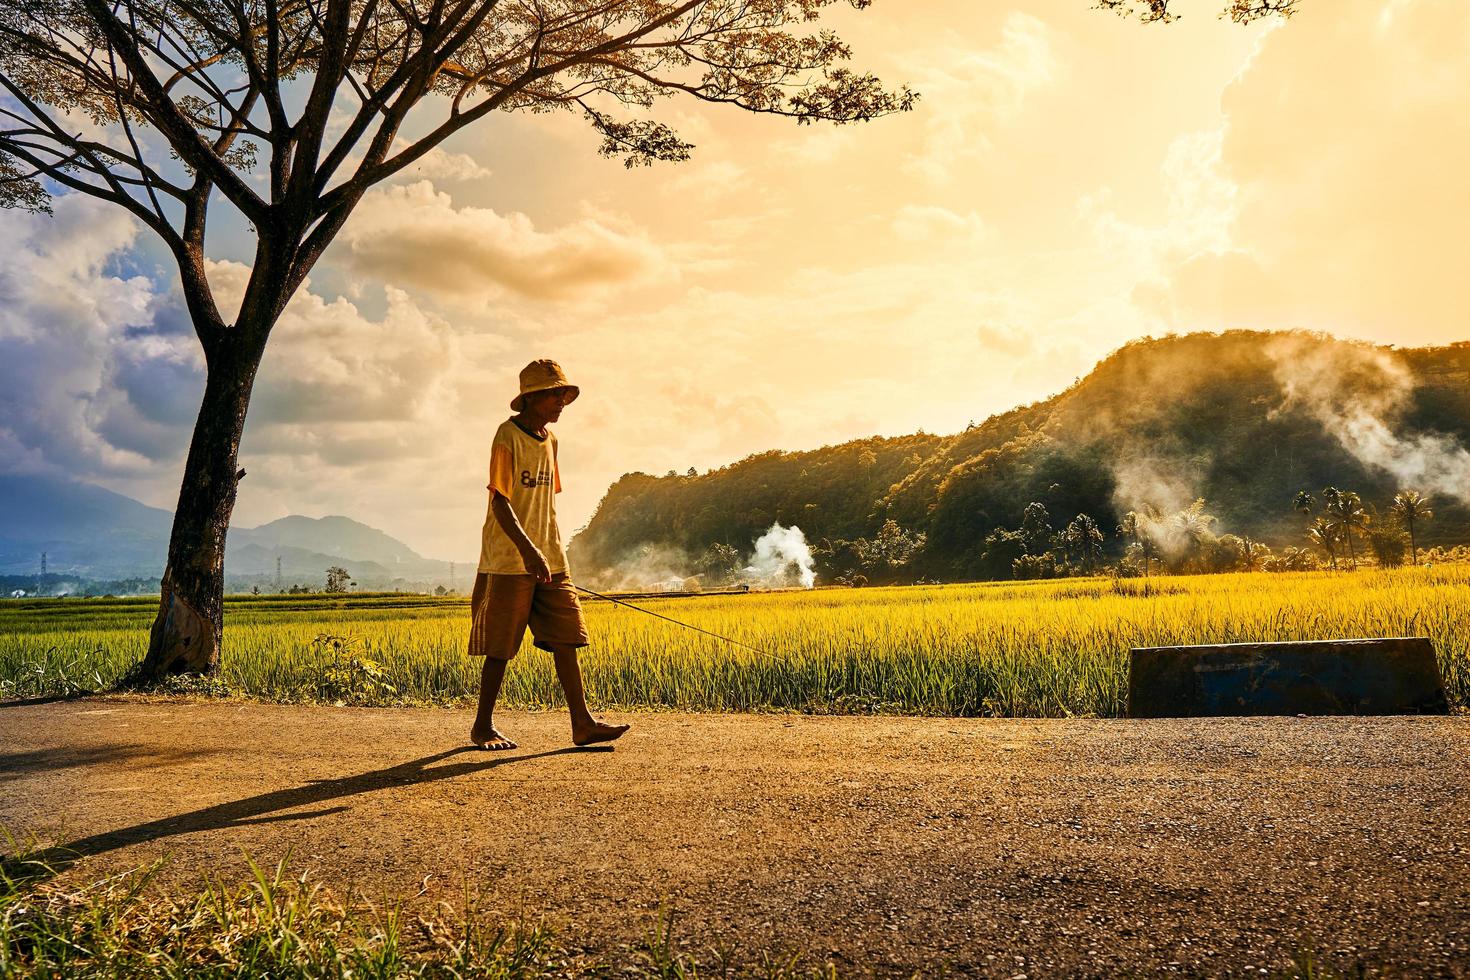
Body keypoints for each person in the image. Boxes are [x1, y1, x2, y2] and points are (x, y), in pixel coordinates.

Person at [467, 359, 629, 750]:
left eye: (563, 395)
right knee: (501, 647)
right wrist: (528, 551)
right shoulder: (507, 436)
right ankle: (482, 726)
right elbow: (501, 502)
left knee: (567, 637)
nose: (562, 402)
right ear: (533, 397)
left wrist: (550, 552)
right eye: (556, 394)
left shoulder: (550, 441)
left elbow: (545, 505)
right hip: (509, 558)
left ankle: (583, 724)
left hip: (551, 556)